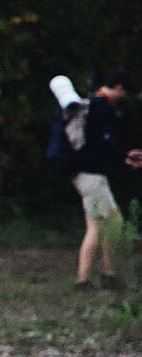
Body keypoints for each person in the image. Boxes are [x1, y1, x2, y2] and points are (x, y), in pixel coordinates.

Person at [70, 69, 142, 290]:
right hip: (91, 175)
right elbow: (103, 144)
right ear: (120, 88)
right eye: (125, 94)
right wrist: (123, 156)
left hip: (87, 173)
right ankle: (85, 280)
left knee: (111, 221)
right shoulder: (101, 107)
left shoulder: (92, 104)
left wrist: (124, 156)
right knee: (99, 225)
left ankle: (108, 274)